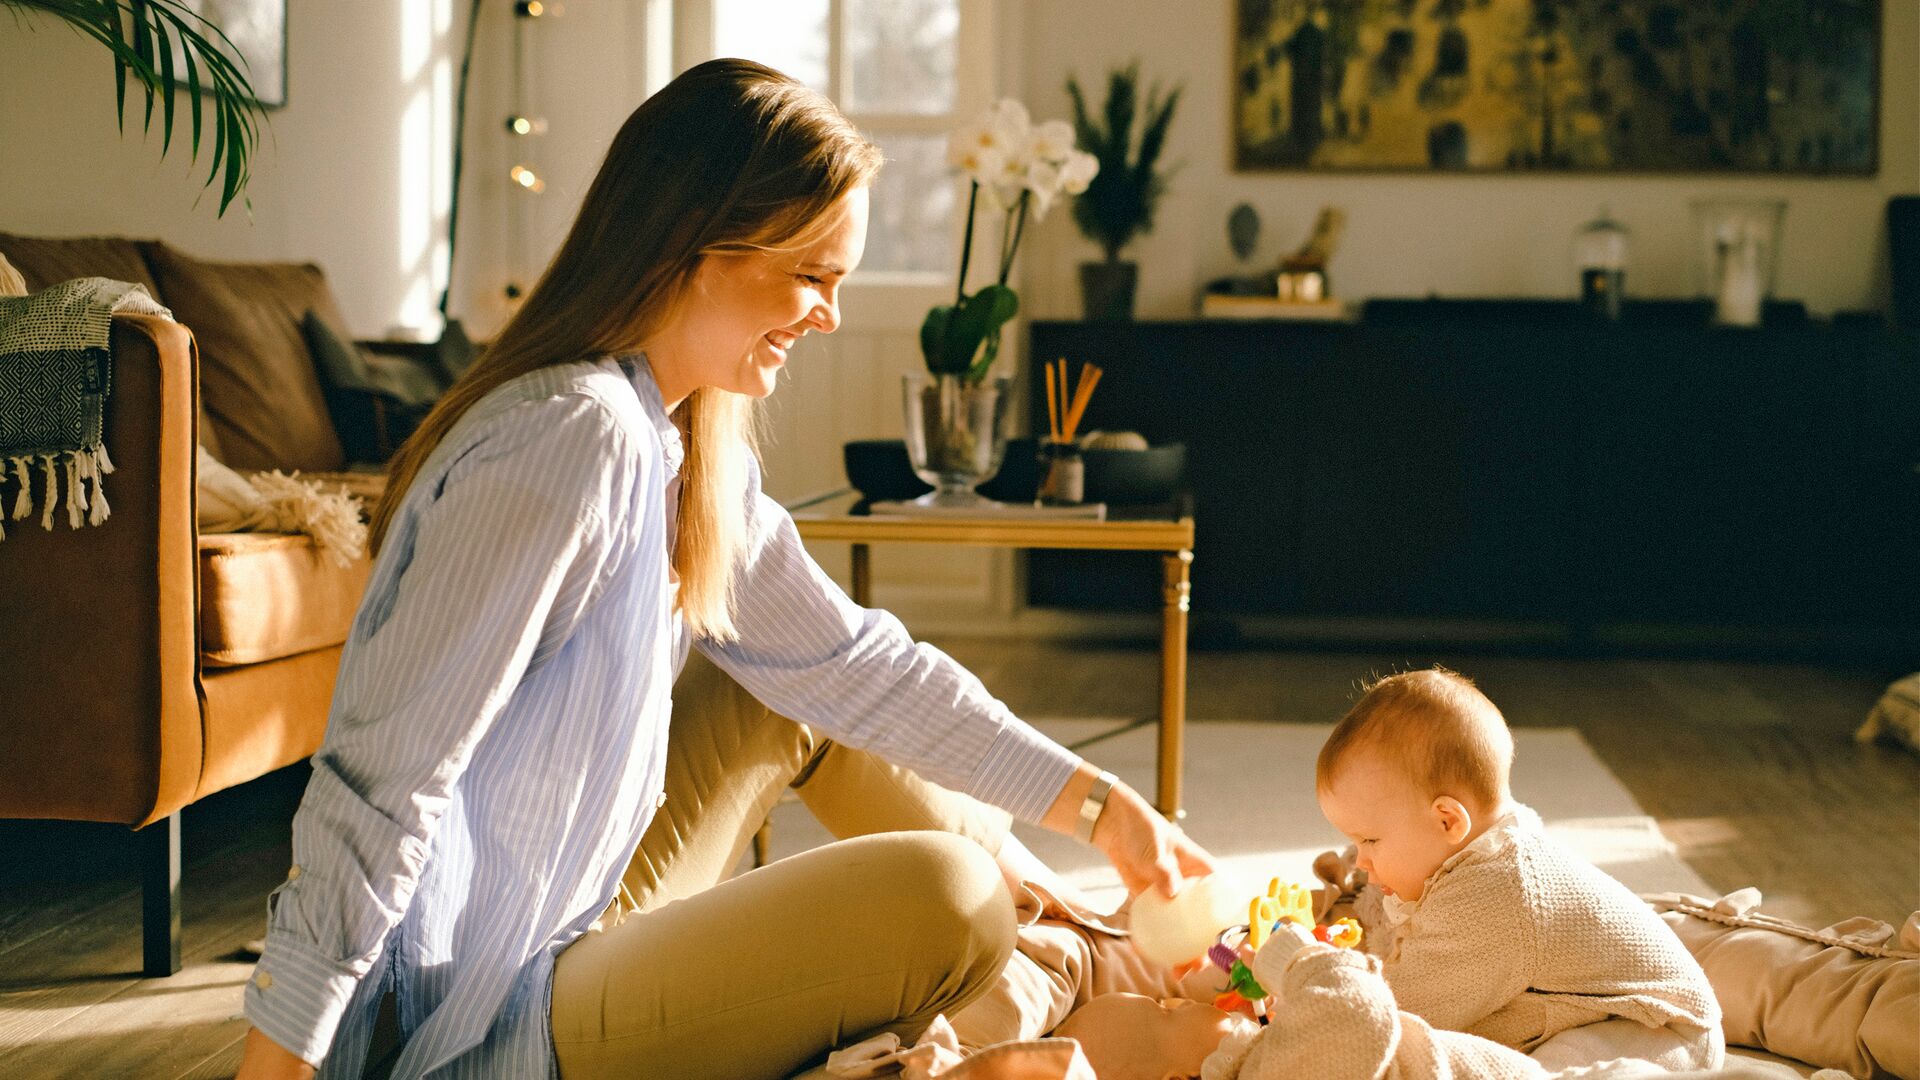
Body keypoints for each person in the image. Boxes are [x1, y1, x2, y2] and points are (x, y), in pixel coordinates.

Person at [234, 58, 1212, 1080]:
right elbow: (382, 783)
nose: (830, 316)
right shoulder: (569, 442)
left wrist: (1102, 807)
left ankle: (1082, 945)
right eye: (812, 276)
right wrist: (282, 1064)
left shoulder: (681, 442)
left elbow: (856, 666)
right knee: (951, 899)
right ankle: (1034, 966)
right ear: (694, 249)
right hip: (480, 1014)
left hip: (576, 915)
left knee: (796, 692)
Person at [1201, 667, 1723, 1076]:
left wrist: (1302, 986)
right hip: (1569, 1005)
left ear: (1448, 820)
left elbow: (1394, 1010)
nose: (1360, 861)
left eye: (1370, 840)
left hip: (1655, 1032)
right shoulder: (1463, 856)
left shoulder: (1498, 897)